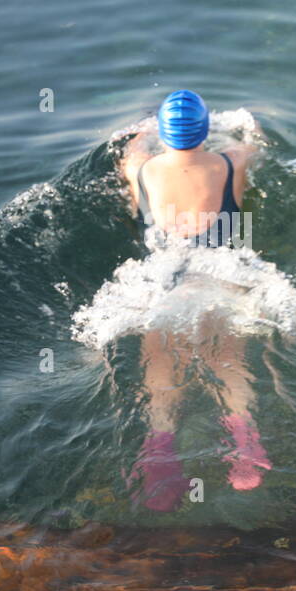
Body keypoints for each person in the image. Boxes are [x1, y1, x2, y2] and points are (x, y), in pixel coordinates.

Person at [118, 90, 270, 510]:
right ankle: (244, 443)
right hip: (221, 272)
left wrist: (142, 130)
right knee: (229, 361)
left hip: (165, 278)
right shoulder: (230, 162)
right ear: (205, 131)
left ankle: (161, 449)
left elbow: (131, 150)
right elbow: (253, 140)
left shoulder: (140, 168)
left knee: (160, 363)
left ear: (164, 135)